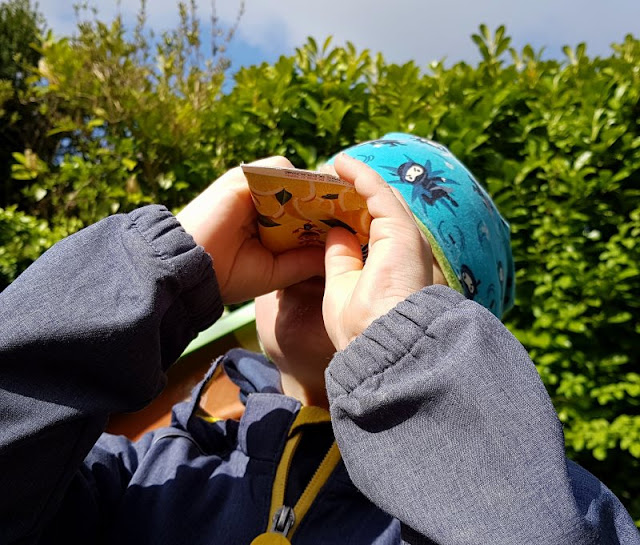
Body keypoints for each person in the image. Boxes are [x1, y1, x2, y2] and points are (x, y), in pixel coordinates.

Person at [0, 134, 638, 545]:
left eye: (375, 245)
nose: (329, 253)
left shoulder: (530, 494)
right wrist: (155, 273)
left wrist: (405, 356)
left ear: (446, 320)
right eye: (308, 224)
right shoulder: (146, 475)